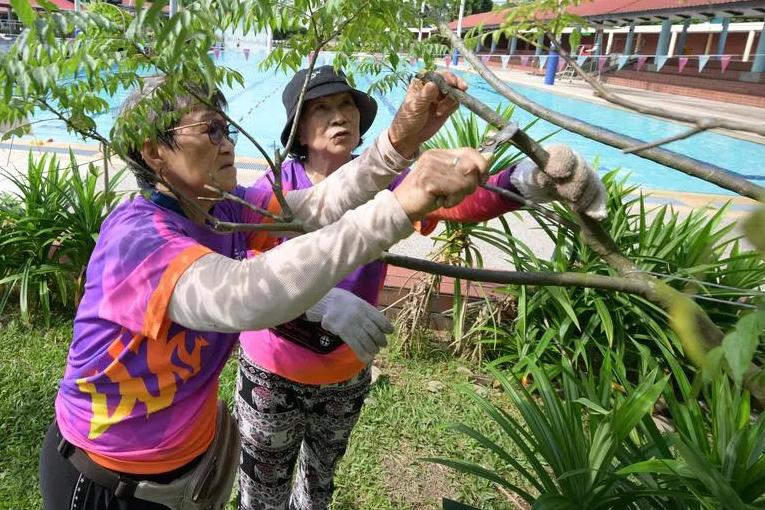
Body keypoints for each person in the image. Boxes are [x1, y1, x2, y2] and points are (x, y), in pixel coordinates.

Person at [41, 69, 491, 510]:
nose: (228, 141)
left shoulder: (222, 210)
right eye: (210, 130)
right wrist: (398, 205)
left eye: (227, 128)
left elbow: (318, 204)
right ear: (155, 152)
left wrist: (399, 142)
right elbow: (246, 295)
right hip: (106, 480)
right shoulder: (138, 241)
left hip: (183, 475)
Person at [234, 65, 607, 510]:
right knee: (263, 486)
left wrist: (528, 180)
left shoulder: (387, 182)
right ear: (298, 130)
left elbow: (453, 201)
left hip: (345, 368)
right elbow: (244, 261)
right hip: (273, 369)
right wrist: (316, 302)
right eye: (322, 109)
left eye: (346, 105)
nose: (340, 117)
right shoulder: (277, 187)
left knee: (318, 486)